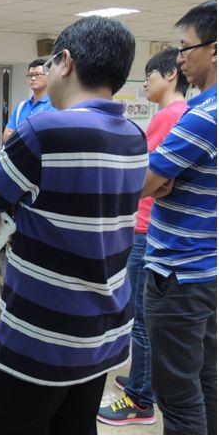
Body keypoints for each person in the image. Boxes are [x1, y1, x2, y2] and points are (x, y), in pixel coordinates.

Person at [0, 16, 147, 434]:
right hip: (104, 331)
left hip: (42, 335)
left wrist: (5, 203)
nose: (44, 72)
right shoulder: (133, 135)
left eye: (47, 64)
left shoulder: (46, 128)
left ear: (64, 62)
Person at [97, 47, 189, 426]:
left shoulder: (169, 115)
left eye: (150, 76)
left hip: (146, 227)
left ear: (170, 75)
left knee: (141, 320)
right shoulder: (184, 114)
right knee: (143, 316)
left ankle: (139, 398)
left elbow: (144, 177)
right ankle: (141, 380)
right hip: (157, 225)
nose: (145, 84)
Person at [141, 0, 216, 435]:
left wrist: (154, 177)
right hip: (206, 270)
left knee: (176, 394)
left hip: (177, 272)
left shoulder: (200, 117)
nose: (180, 58)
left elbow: (143, 184)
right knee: (204, 379)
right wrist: (156, 177)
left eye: (186, 48)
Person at [1, 58, 55, 144]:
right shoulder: (21, 107)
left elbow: (50, 137)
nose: (33, 78)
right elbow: (6, 136)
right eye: (30, 75)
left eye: (38, 74)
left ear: (49, 76)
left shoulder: (55, 105)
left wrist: (19, 136)